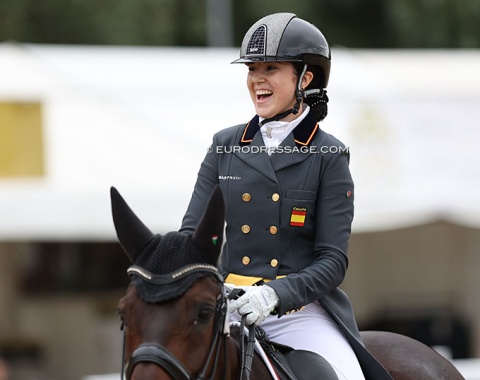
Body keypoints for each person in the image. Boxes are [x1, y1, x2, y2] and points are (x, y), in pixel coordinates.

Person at [180, 12, 391, 380]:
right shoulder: (224, 146)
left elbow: (332, 261)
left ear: (305, 78)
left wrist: (274, 296)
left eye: (271, 68)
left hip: (298, 313)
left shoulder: (329, 156)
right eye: (252, 69)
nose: (257, 79)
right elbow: (193, 237)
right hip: (227, 306)